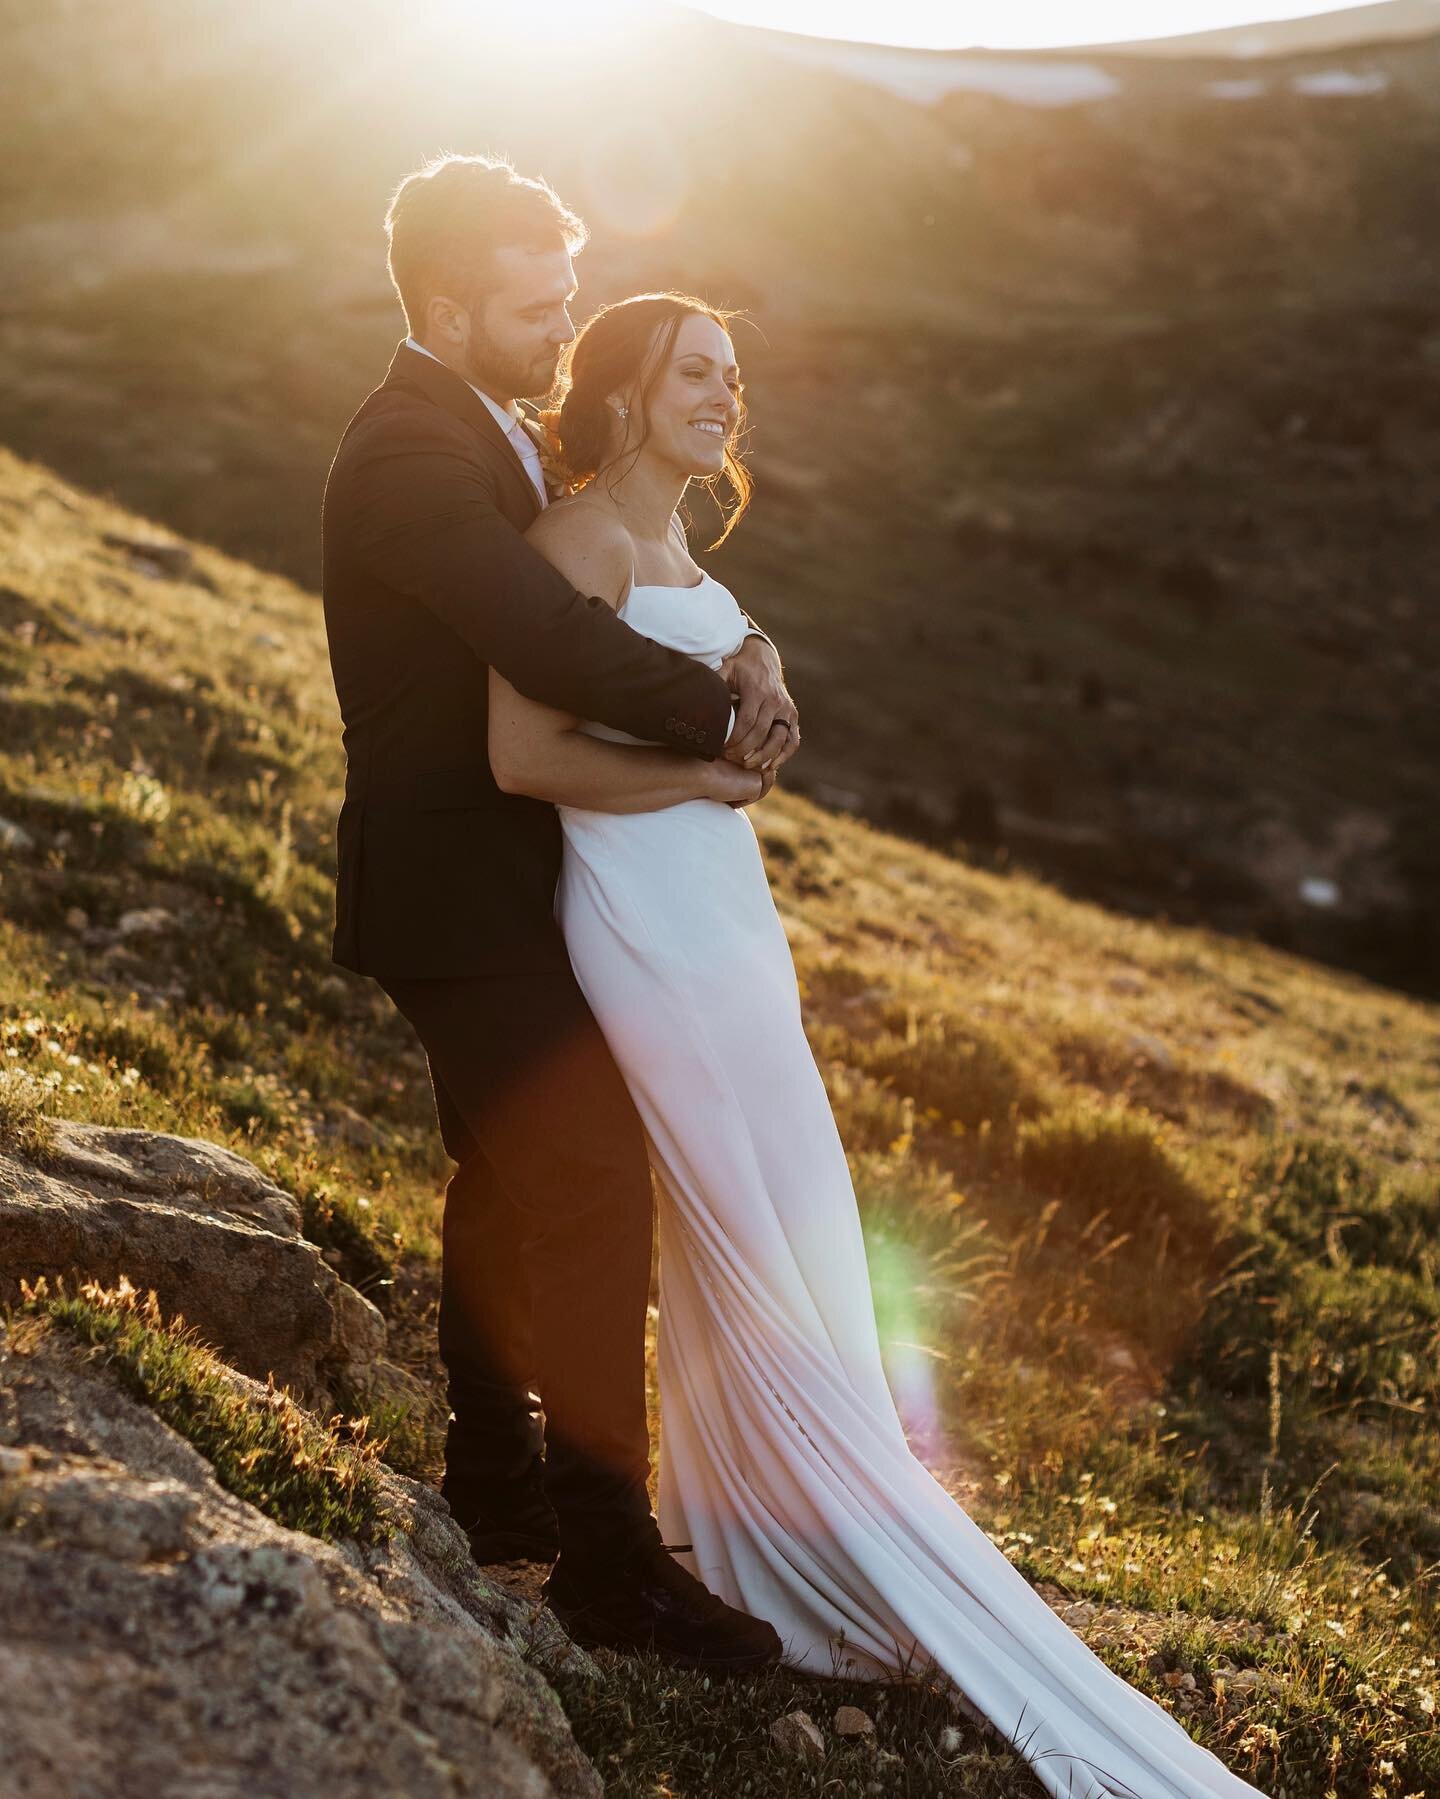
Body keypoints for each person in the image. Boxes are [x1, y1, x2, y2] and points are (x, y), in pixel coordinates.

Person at [491, 292, 1266, 1797]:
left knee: (792, 1223)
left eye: (732, 375)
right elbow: (522, 757)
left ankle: (771, 1538)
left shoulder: (678, 553)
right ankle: (818, 1538)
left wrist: (757, 658)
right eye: (695, 375)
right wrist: (709, 787)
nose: (725, 397)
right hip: (647, 917)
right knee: (736, 1226)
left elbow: (708, 637)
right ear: (629, 393)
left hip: (731, 927)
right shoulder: (578, 540)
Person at [320, 153, 799, 1671]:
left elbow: (630, 556)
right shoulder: (406, 453)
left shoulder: (498, 432)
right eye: (536, 305)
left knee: (509, 1180)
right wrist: (718, 718)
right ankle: (608, 1568)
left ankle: (494, 1488)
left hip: (536, 880)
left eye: (570, 293)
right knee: (591, 1184)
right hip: (457, 894)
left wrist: (752, 647)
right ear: (448, 306)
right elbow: (541, 631)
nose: (561, 327)